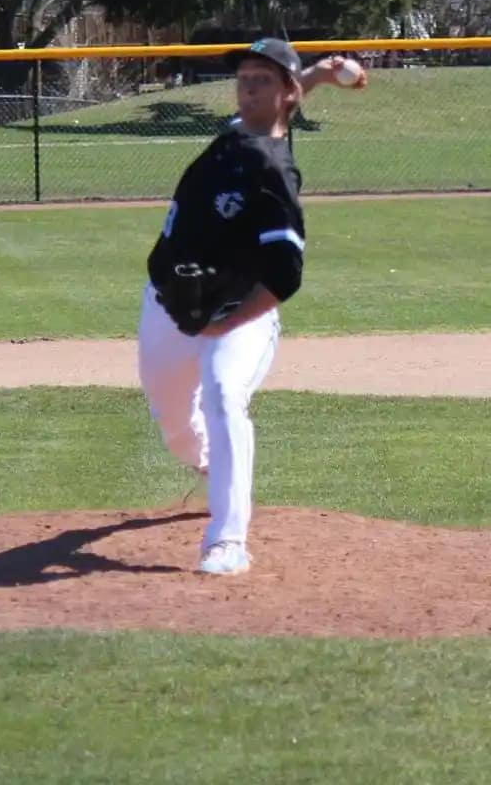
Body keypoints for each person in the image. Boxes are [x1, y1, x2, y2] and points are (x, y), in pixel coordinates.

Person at [137, 36, 366, 576]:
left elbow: (285, 276)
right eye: (244, 77)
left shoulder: (274, 177)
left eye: (262, 80)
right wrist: (321, 75)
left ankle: (228, 539)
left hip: (240, 312)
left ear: (283, 95)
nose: (247, 86)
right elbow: (281, 102)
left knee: (222, 393)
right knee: (173, 422)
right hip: (166, 303)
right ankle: (215, 465)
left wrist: (227, 324)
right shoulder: (234, 138)